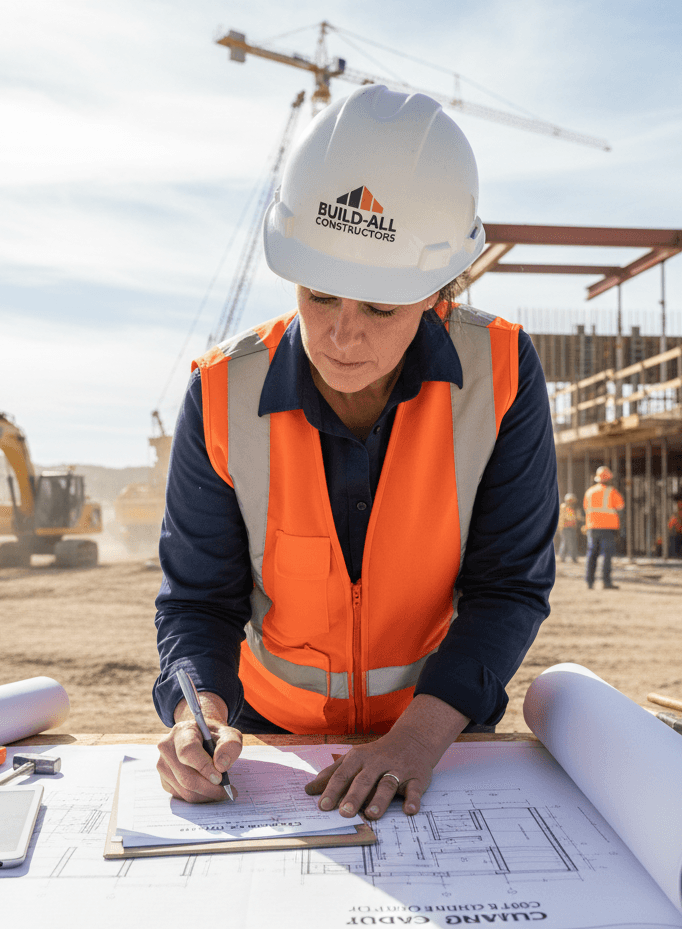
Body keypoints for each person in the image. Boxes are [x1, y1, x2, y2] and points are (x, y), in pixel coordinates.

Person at [152, 85, 559, 825]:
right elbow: (197, 602)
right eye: (319, 294)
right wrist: (197, 712)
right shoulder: (220, 393)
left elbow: (508, 588)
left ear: (438, 292)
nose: (342, 335)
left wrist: (417, 741)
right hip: (272, 753)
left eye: (380, 307)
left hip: (443, 740)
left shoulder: (500, 375)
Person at [583, 466, 624, 589]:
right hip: (608, 527)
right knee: (607, 555)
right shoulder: (612, 491)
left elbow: (586, 508)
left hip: (592, 527)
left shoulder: (589, 492)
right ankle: (606, 582)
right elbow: (620, 507)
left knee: (592, 554)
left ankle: (589, 582)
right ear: (609, 479)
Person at [556, 493, 579, 562]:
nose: (571, 501)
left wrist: (575, 525)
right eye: (570, 500)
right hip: (565, 527)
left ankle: (572, 557)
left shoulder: (572, 508)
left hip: (572, 527)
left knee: (572, 542)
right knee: (566, 542)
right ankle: (566, 557)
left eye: (572, 500)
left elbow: (573, 518)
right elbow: (561, 518)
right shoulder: (564, 507)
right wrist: (561, 527)